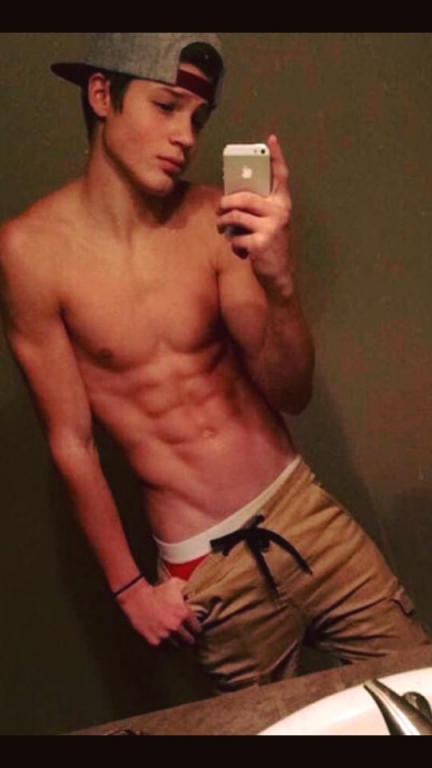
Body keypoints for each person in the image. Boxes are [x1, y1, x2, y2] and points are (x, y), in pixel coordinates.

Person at [0, 32, 429, 696]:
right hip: (205, 570)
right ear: (102, 95)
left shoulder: (212, 218)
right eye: (166, 106)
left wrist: (281, 286)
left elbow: (290, 391)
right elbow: (71, 441)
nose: (186, 137)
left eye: (198, 118)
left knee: (418, 698)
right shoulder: (31, 252)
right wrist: (129, 590)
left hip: (305, 518)